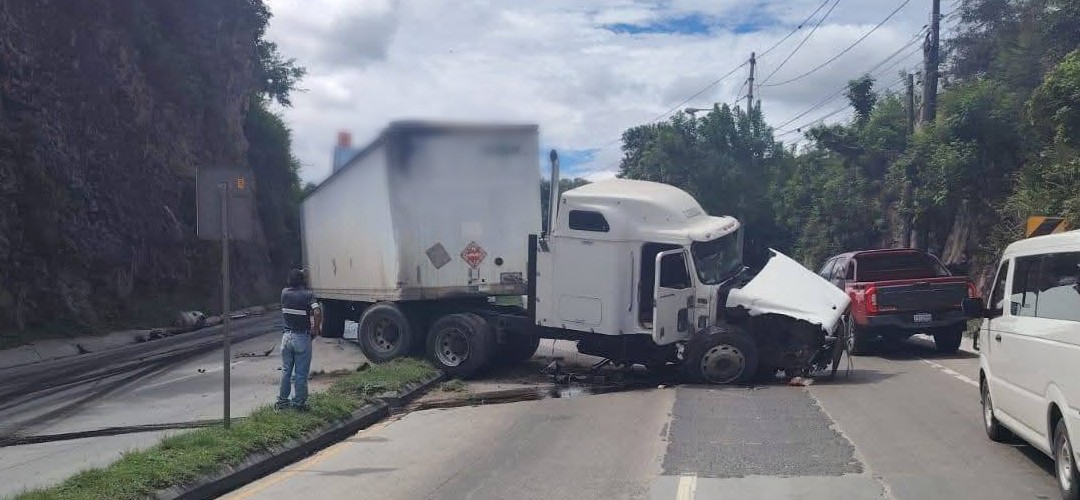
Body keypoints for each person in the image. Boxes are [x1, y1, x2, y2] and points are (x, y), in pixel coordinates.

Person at [277, 268, 322, 411]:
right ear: (302, 280)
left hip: (286, 337)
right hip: (302, 337)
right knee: (300, 374)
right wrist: (316, 329)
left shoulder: (284, 293)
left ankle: (282, 402)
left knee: (286, 371)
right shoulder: (308, 295)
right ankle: (299, 404)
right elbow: (317, 311)